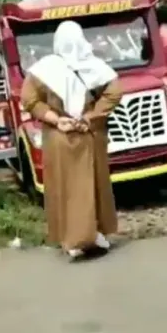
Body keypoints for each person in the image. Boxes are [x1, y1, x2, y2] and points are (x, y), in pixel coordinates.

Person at [21, 21, 123, 261]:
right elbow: (115, 92)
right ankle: (96, 233)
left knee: (65, 188)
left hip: (59, 135)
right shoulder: (95, 67)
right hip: (89, 133)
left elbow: (29, 100)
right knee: (93, 184)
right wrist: (90, 117)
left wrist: (57, 120)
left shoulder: (43, 69)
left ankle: (71, 239)